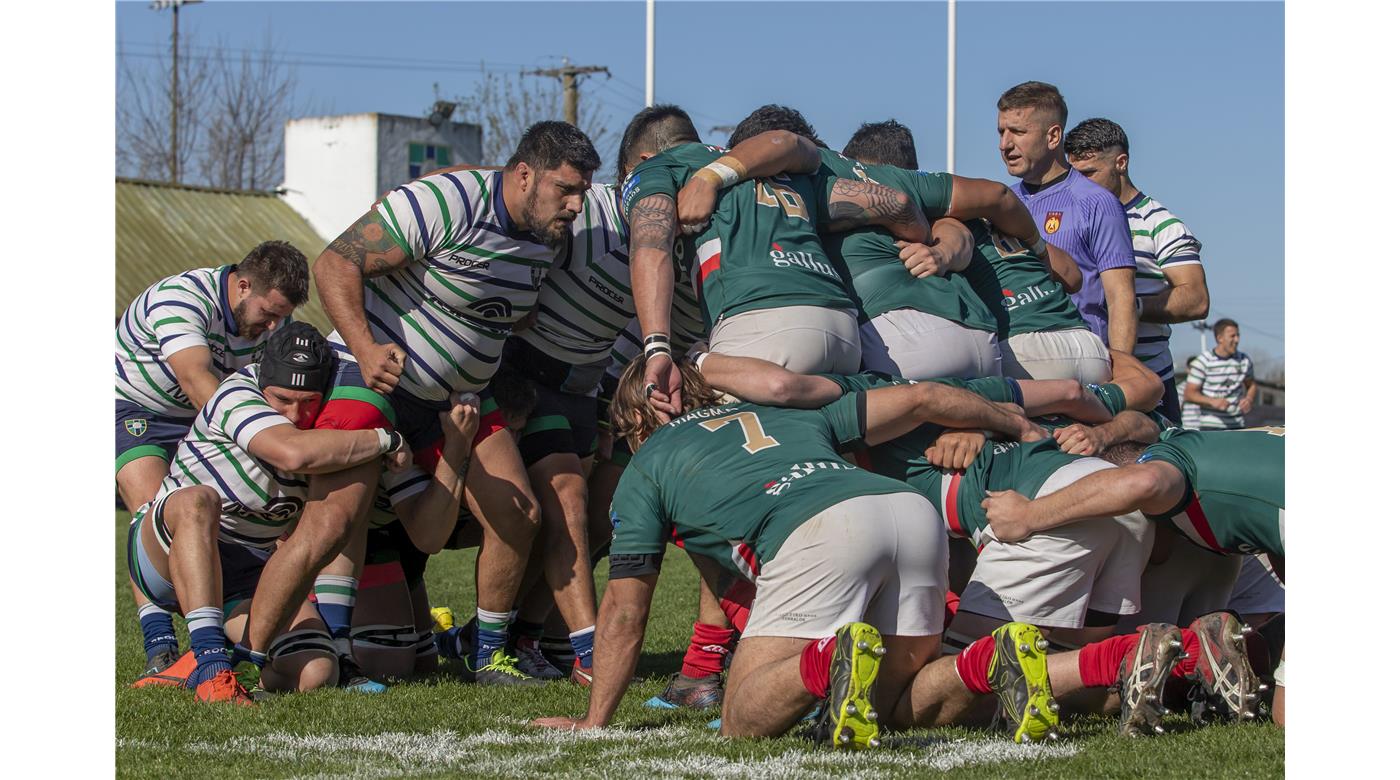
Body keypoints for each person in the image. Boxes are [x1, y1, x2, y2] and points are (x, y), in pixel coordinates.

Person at [535, 356, 1070, 747]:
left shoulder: (647, 464)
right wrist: (1015, 423)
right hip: (909, 513)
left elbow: (626, 610)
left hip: (821, 530)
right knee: (894, 704)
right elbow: (922, 396)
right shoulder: (783, 414)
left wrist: (595, 720)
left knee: (741, 719)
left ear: (633, 423)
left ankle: (830, 657)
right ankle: (985, 662)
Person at [240, 121, 600, 687]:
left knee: (519, 514)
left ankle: (487, 655)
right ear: (525, 175)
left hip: (460, 398)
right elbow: (335, 262)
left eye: (583, 192)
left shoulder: (550, 235)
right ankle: (246, 658)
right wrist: (364, 345)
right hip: (376, 380)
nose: (576, 205)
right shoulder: (445, 200)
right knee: (333, 516)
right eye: (567, 190)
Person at [126, 323, 412, 702]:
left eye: (309, 401)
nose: (295, 413)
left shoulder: (331, 412)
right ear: (263, 382)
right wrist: (384, 439)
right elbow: (292, 451)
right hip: (165, 553)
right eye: (281, 399)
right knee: (199, 500)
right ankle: (213, 668)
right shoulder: (238, 391)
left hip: (247, 573)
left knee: (316, 672)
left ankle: (201, 664)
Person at [623, 106, 931, 419]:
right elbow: (897, 203)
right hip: (844, 334)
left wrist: (657, 349)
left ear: (642, 161)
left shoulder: (659, 168)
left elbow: (651, 242)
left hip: (760, 330)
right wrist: (927, 244)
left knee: (739, 455)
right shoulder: (772, 172)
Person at [725, 113, 1075, 382]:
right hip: (984, 336)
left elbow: (899, 203)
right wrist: (1037, 251)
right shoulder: (912, 184)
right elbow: (998, 199)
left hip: (901, 339)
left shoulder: (801, 182)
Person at [981, 426, 1284, 723]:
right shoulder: (1216, 452)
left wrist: (1029, 515)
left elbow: (1144, 481)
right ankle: (1223, 657)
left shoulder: (1169, 460)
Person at [115, 240, 308, 678]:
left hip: (202, 414)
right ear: (242, 286)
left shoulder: (276, 320)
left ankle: (211, 632)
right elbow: (194, 376)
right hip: (137, 409)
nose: (275, 324)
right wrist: (256, 440)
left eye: (283, 315)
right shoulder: (181, 298)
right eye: (268, 313)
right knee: (156, 507)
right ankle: (160, 645)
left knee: (220, 520)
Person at [828, 118, 1104, 382]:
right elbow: (1072, 275)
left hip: (1023, 346)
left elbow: (958, 236)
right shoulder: (995, 216)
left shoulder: (931, 214)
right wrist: (1037, 250)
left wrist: (942, 254)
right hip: (1087, 345)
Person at [1066, 117, 1210, 423]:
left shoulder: (1161, 224)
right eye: (1073, 175)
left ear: (1121, 163)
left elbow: (1196, 299)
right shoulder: (1069, 218)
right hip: (1079, 384)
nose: (1079, 185)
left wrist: (1129, 306)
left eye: (1089, 173)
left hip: (1148, 384)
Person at [996, 82, 1138, 356]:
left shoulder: (1097, 202)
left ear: (1053, 136)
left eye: (1018, 132)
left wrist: (1121, 381)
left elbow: (1121, 299)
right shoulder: (1000, 205)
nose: (1005, 144)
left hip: (1081, 365)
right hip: (1017, 366)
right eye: (1001, 132)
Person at [1181, 319, 1256, 429]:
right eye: (1232, 336)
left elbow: (1251, 385)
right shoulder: (1203, 361)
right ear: (1219, 338)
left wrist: (1249, 399)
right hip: (1210, 428)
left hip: (1237, 426)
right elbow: (1189, 394)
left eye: (1238, 335)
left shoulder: (1244, 360)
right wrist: (1212, 401)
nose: (1237, 340)